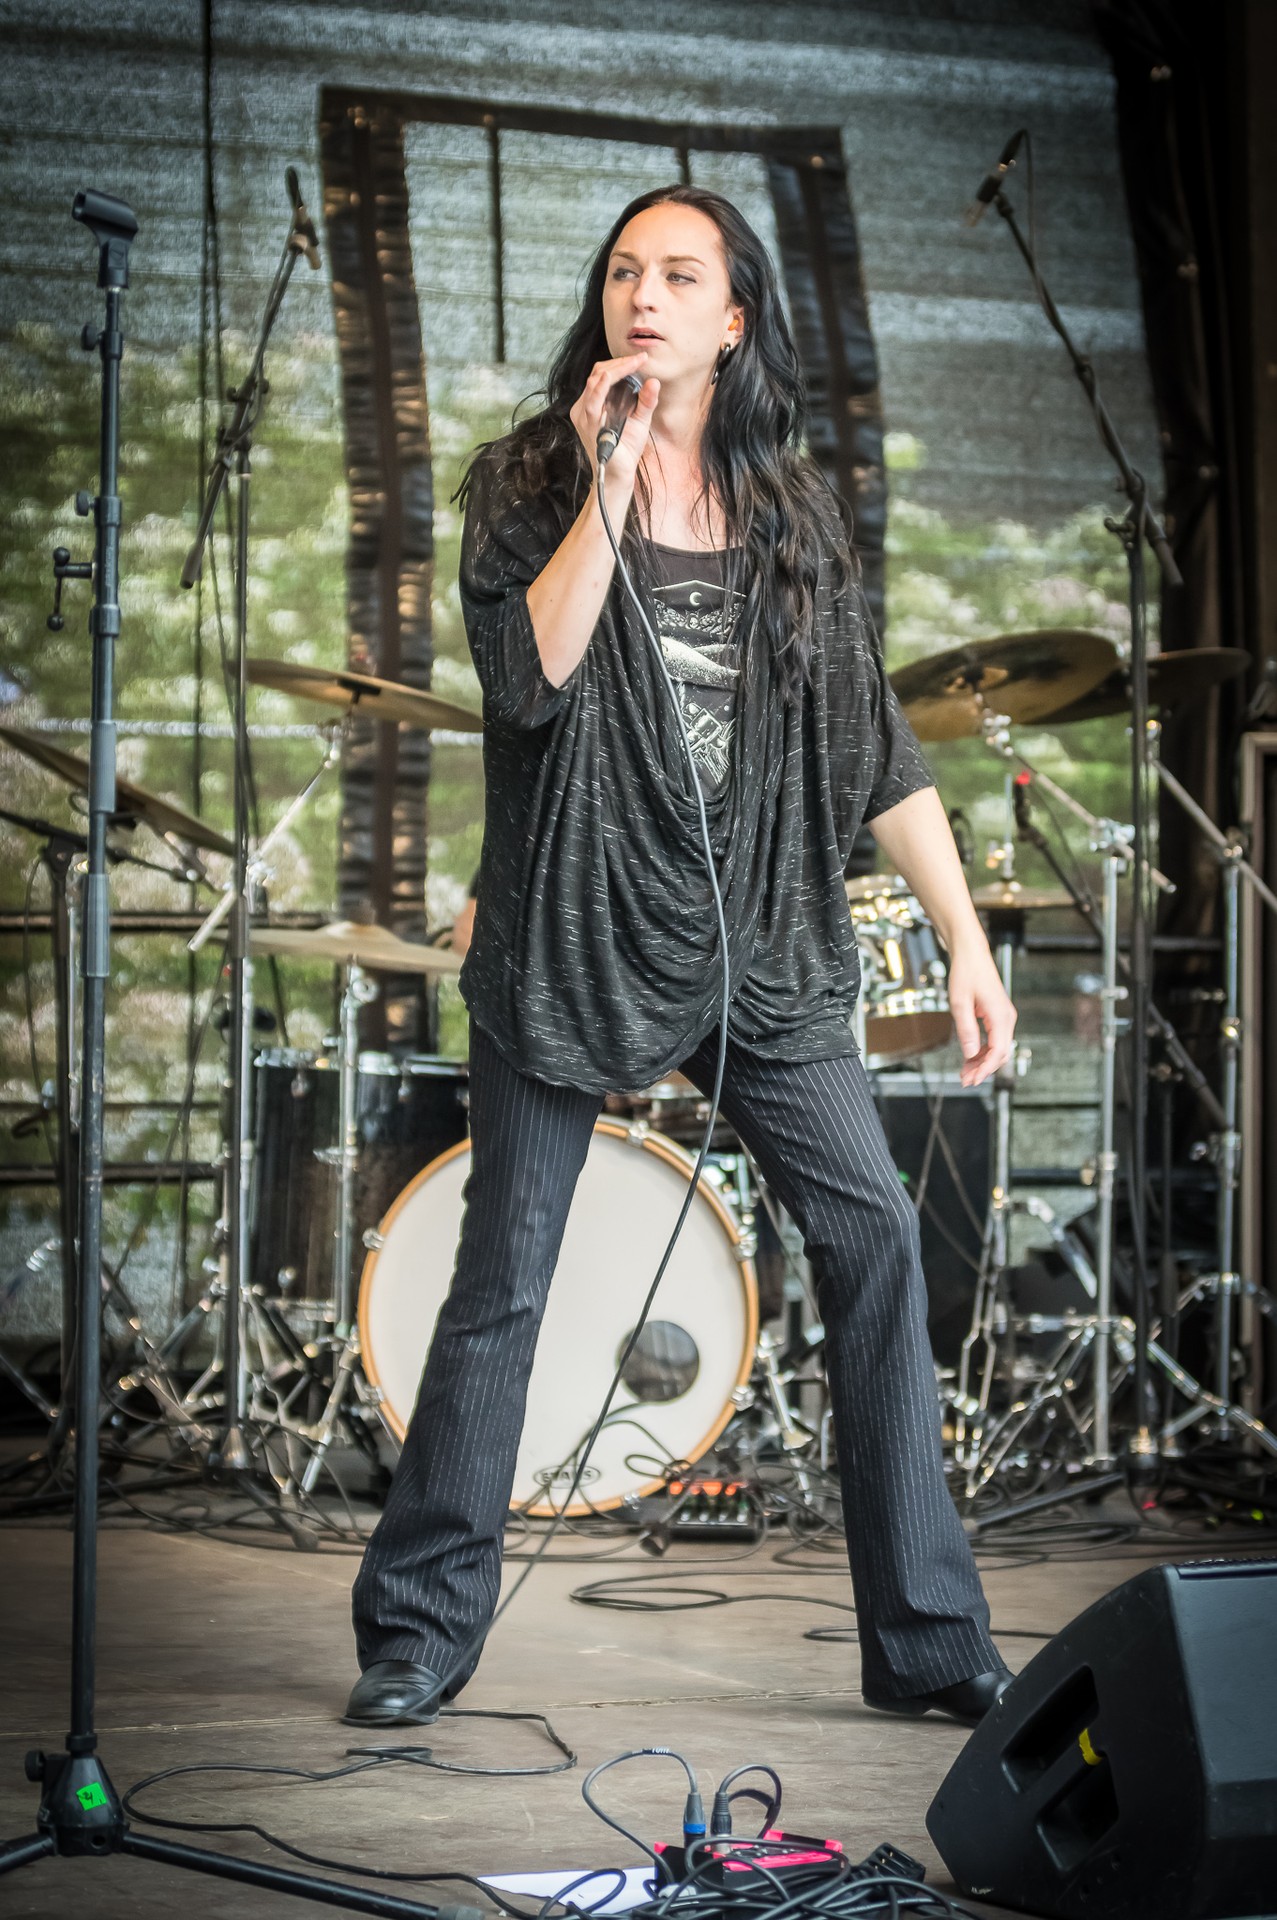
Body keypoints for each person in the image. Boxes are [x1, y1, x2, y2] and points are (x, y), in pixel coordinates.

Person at [345, 184, 1016, 1732]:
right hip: (572, 939)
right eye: (622, 272)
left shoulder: (793, 514)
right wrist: (609, 472)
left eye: (678, 275)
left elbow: (875, 750)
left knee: (874, 1239)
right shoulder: (527, 479)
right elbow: (530, 677)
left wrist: (963, 940)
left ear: (733, 321)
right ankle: (419, 1633)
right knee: (503, 1279)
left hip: (761, 949)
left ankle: (928, 1636)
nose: (641, 295)